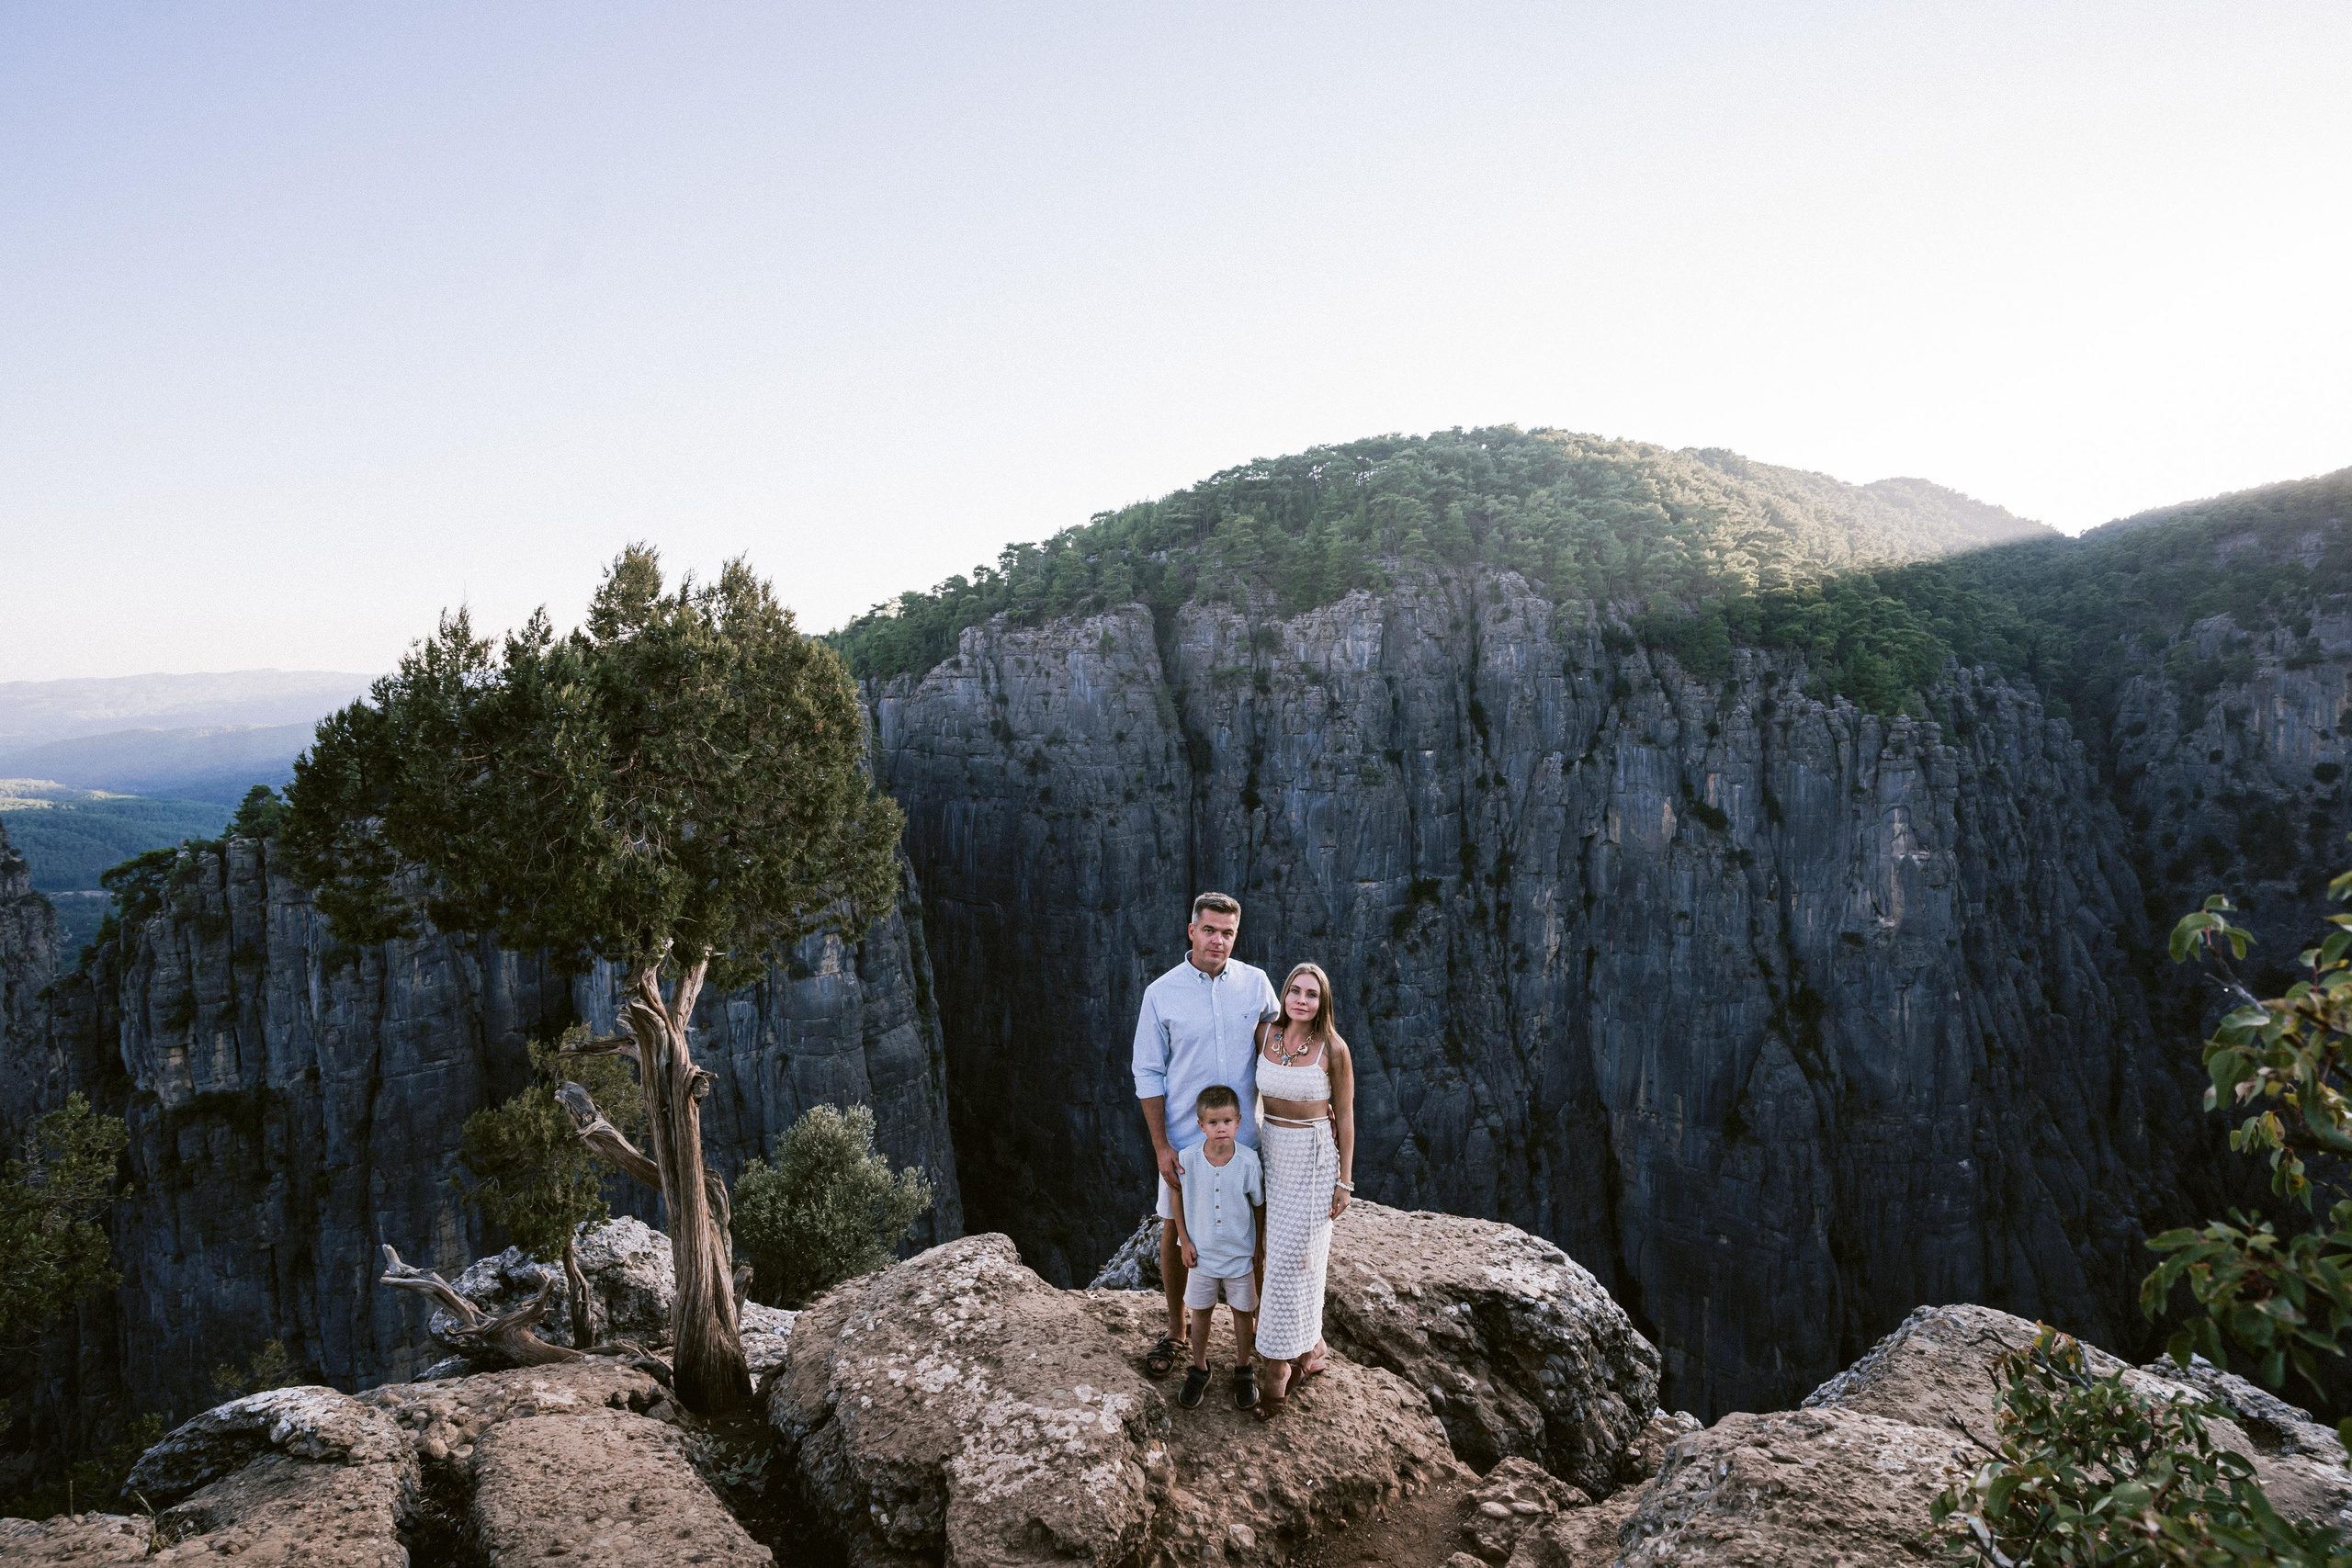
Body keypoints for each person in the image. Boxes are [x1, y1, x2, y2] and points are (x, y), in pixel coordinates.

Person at [1132, 891, 1281, 1380]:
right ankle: (1177, 1330)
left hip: (1244, 1141)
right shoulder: (1161, 993)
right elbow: (1148, 1074)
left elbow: (1278, 1045)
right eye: (1210, 930)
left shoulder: (1256, 984)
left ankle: (1254, 1334)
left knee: (1253, 1230)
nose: (1219, 940)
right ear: (1191, 931)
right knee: (1175, 1230)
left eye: (1228, 933)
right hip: (1183, 1143)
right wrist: (1161, 1147)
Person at [1250, 959, 1356, 1418]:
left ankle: (1276, 1373)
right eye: (1296, 990)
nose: (1302, 1000)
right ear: (1284, 993)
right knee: (1266, 1254)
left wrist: (1344, 1182)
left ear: (1322, 1002)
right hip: (1268, 1149)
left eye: (1312, 994)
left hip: (1313, 1157)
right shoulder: (1265, 1035)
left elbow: (1347, 1117)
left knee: (1293, 1260)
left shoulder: (1333, 1048)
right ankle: (1312, 1346)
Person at [1167, 1084, 1263, 1410]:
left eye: (1226, 1121)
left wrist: (1259, 1244)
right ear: (1200, 1125)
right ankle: (1199, 1367)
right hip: (1202, 1255)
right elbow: (1176, 1196)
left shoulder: (1249, 1162)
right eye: (1212, 1123)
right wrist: (1184, 1240)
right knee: (1201, 1310)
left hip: (1239, 1255)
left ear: (1239, 1121)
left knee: (1242, 1310)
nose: (1220, 1128)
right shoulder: (1188, 1159)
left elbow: (1258, 1204)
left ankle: (1242, 1367)